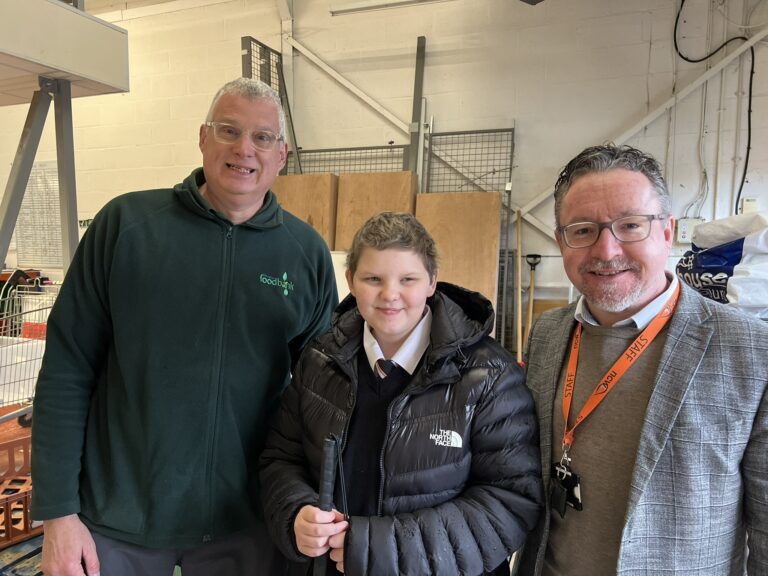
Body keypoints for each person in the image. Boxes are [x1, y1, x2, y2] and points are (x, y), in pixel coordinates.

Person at [31, 77, 338, 576]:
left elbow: (319, 401)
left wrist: (304, 507)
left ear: (281, 156)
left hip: (248, 523)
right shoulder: (126, 227)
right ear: (202, 138)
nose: (244, 149)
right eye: (228, 130)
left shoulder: (305, 255)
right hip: (115, 520)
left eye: (262, 137)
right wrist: (57, 513)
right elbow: (67, 370)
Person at [518, 143, 768, 575]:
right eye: (582, 230)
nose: (607, 251)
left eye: (630, 225)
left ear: (668, 231)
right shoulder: (547, 333)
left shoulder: (750, 348)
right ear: (562, 241)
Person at [259, 211, 543, 576]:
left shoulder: (488, 375)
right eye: (373, 278)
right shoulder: (318, 361)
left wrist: (378, 549)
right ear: (350, 281)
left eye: (407, 279)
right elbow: (281, 459)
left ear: (432, 282)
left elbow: (508, 502)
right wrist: (294, 513)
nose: (390, 295)